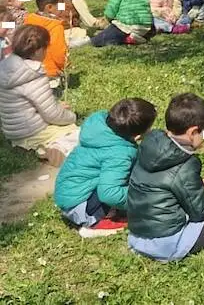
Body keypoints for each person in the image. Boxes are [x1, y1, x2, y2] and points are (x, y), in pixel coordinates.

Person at [127, 93, 204, 262]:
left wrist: (203, 182)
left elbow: (165, 184)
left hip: (137, 235)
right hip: (166, 243)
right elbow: (199, 211)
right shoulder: (186, 164)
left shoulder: (152, 141)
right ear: (193, 132)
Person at [54, 98, 157, 237]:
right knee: (127, 182)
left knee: (124, 174)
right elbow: (109, 193)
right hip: (80, 206)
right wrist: (140, 200)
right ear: (137, 136)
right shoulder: (119, 153)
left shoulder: (99, 125)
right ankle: (93, 224)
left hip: (69, 193)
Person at [0, 24, 78, 166]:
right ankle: (53, 148)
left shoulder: (6, 67)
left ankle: (45, 146)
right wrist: (71, 116)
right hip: (34, 130)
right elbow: (52, 114)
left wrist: (57, 105)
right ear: (38, 50)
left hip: (13, 131)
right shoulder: (33, 73)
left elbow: (24, 103)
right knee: (77, 133)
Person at [23, 0, 68, 80]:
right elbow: (58, 52)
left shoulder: (28, 19)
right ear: (50, 7)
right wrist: (65, 64)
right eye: (60, 5)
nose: (62, 8)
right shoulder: (55, 26)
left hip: (27, 71)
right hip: (49, 72)